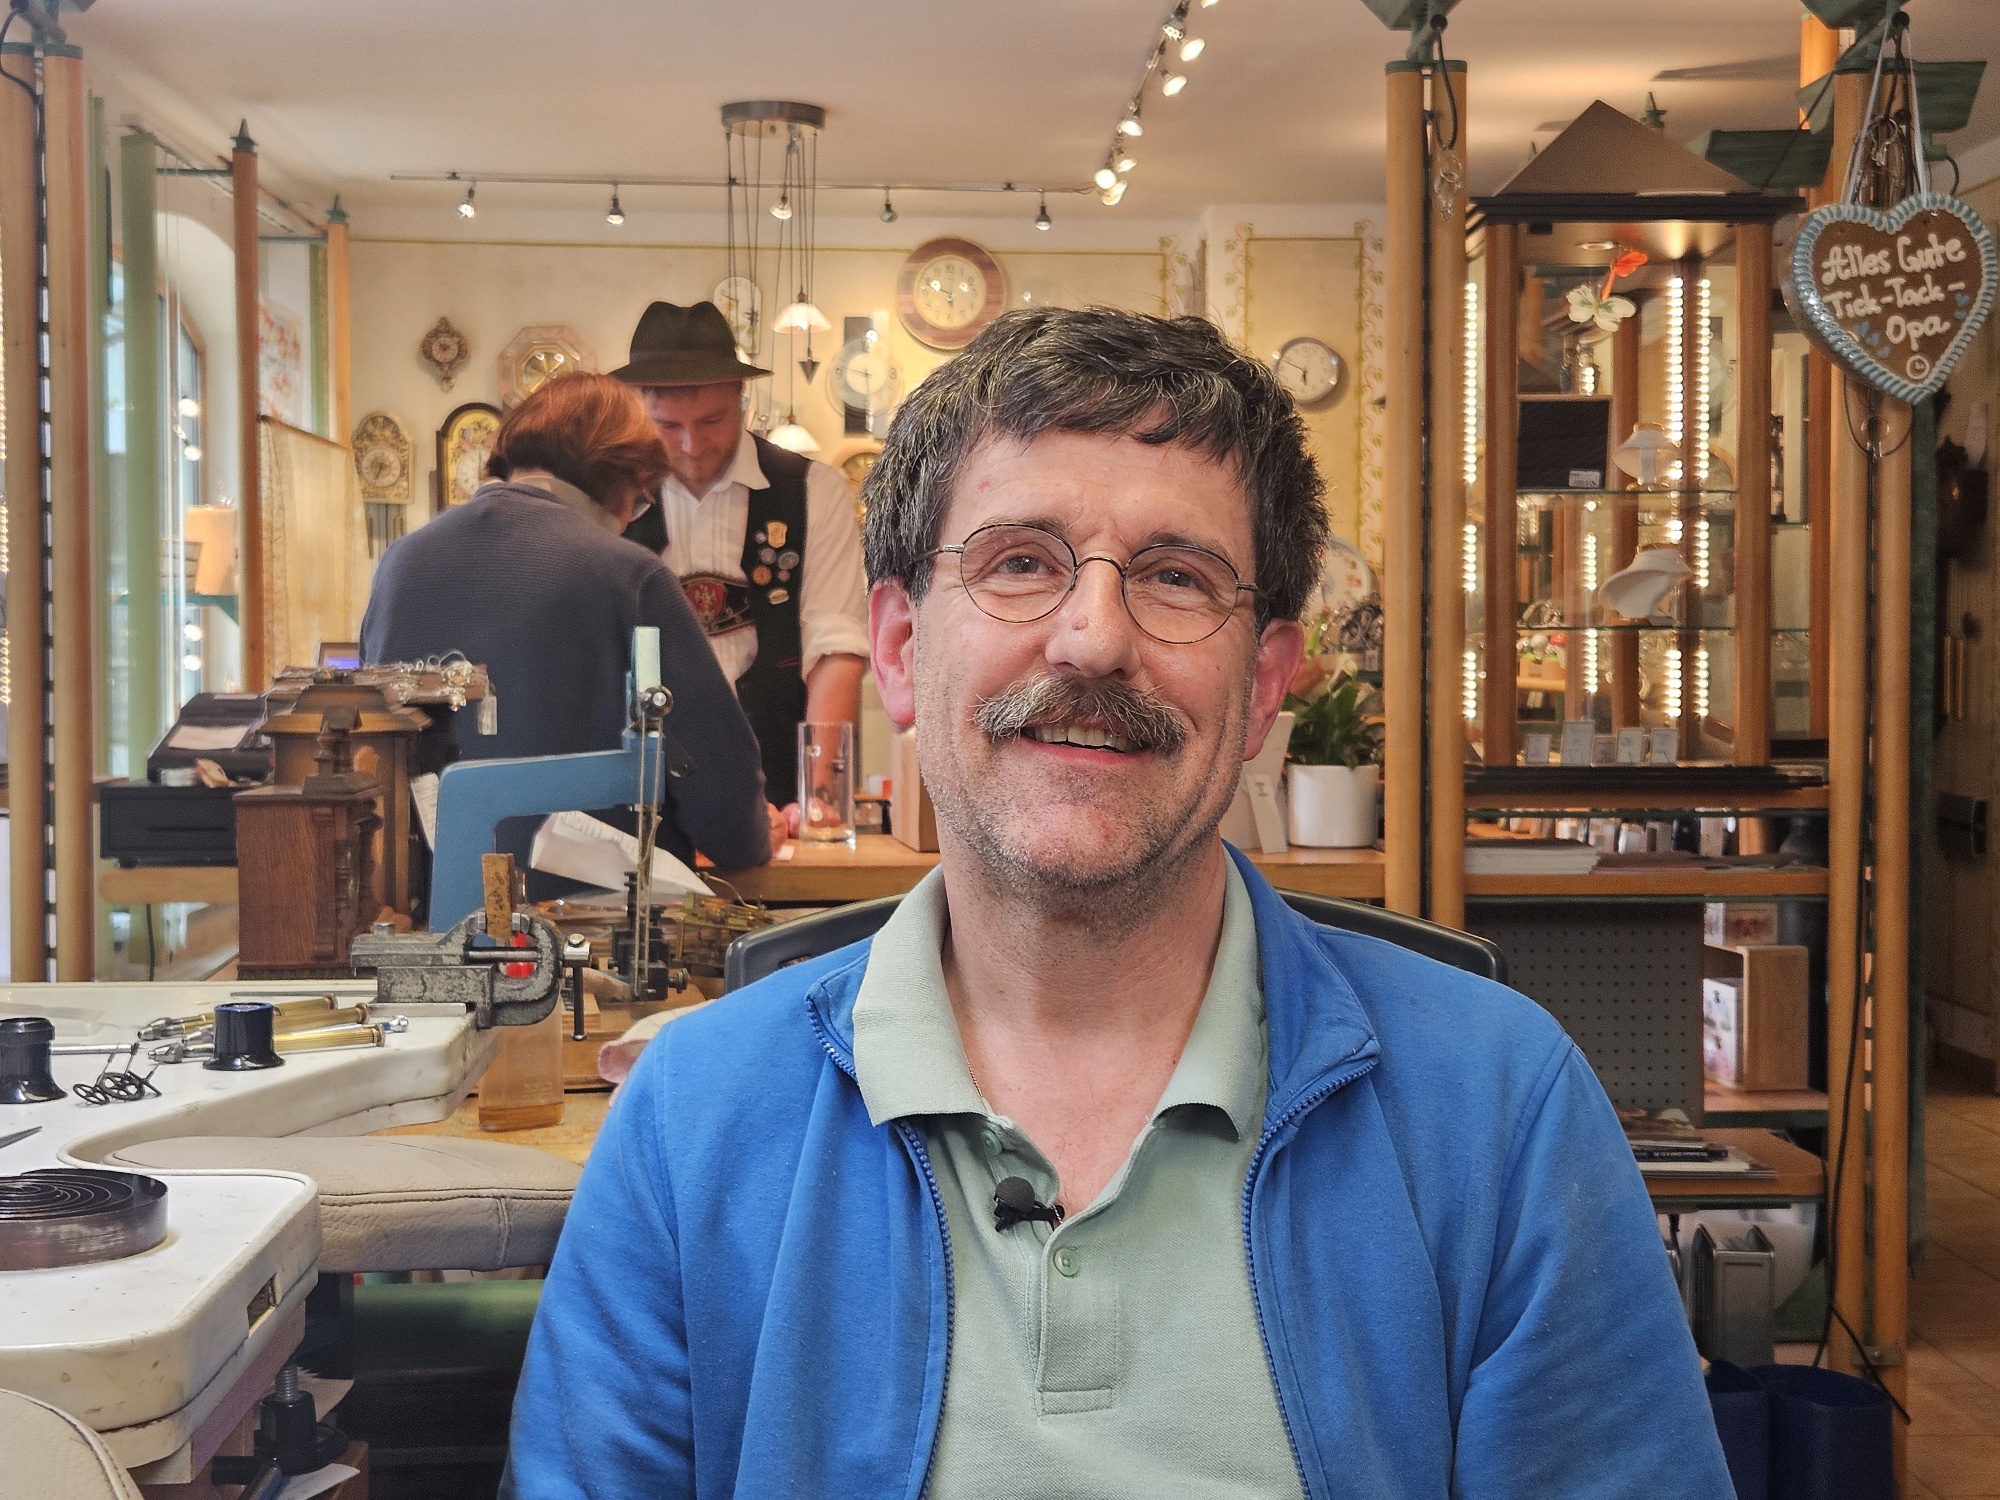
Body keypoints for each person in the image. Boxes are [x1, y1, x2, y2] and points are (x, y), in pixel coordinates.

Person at [502, 310, 1731, 1497]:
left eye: (1176, 578)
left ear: (1263, 686)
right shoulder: (689, 1125)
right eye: (1018, 564)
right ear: (898, 649)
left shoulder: (1503, 1110)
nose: (1091, 640)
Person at [360, 372, 773, 892]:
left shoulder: (400, 563)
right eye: (638, 502)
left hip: (421, 910)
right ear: (620, 478)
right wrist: (755, 834)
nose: (629, 520)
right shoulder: (628, 575)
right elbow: (727, 807)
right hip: (591, 921)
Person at [610, 300, 868, 816]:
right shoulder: (612, 498)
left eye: (712, 420)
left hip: (779, 779)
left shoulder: (812, 490)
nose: (692, 444)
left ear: (741, 398)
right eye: (668, 425)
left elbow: (835, 648)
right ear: (638, 409)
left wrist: (820, 796)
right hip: (643, 786)